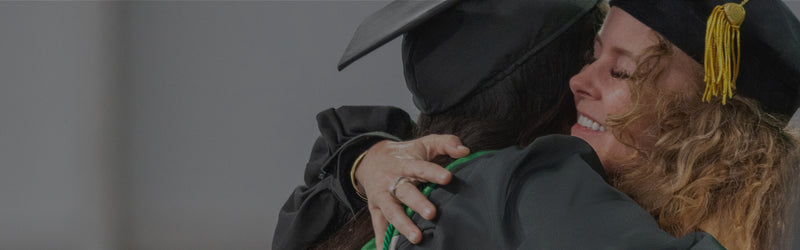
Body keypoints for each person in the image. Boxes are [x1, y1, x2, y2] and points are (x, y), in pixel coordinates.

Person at [339, 0, 800, 249]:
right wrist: (367, 159)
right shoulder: (533, 196)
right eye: (591, 55)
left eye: (620, 71)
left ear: (710, 122)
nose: (578, 81)